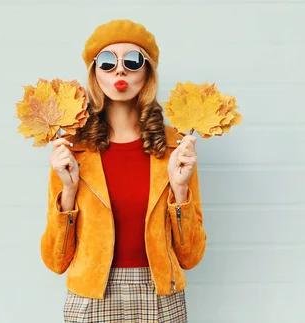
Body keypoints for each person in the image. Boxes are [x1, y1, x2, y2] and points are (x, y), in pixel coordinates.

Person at [40, 19, 207, 322]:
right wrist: (68, 190)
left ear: (147, 73)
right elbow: (55, 260)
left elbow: (190, 256)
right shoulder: (72, 151)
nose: (120, 70)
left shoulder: (176, 149)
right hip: (91, 295)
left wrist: (180, 190)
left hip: (160, 295)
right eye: (107, 62)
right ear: (95, 75)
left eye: (132, 60)